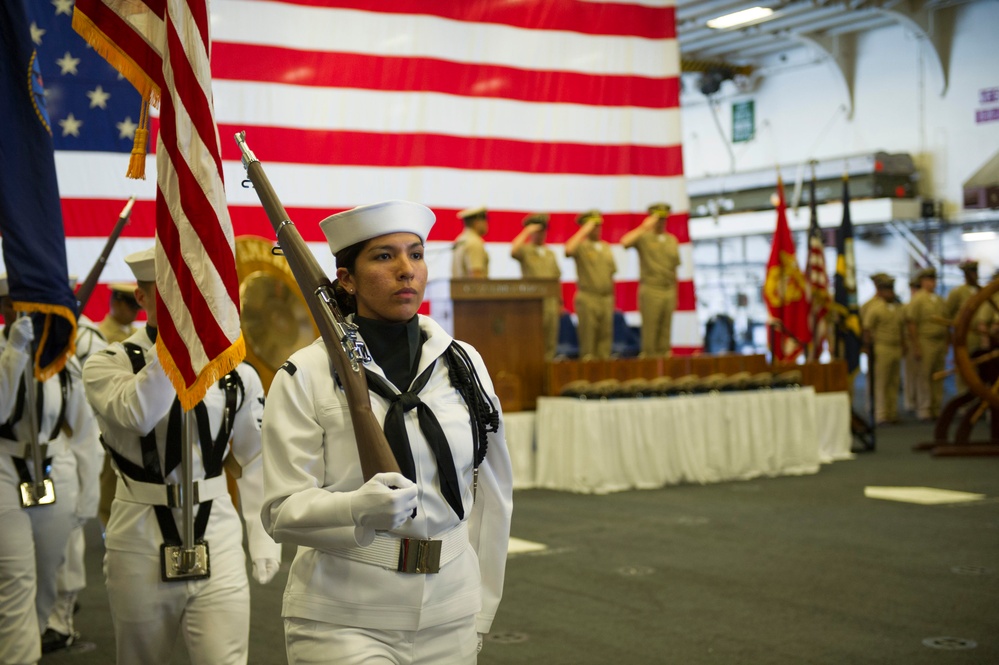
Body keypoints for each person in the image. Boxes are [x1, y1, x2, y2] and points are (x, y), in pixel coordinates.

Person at [260, 200, 513, 664]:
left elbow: (493, 493)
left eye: (415, 254)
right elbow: (280, 510)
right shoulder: (307, 373)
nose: (406, 270)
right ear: (346, 279)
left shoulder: (462, 363)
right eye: (383, 256)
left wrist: (482, 604)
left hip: (451, 609)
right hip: (345, 615)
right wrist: (356, 507)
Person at [82, 247, 281, 665]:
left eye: (190, 293)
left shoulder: (236, 373)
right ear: (142, 298)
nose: (183, 305)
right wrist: (174, 347)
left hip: (218, 533)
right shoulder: (107, 363)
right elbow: (138, 414)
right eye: (169, 292)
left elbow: (254, 458)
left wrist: (261, 537)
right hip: (139, 535)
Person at [0, 274, 100, 665]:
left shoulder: (62, 358)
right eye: (11, 303)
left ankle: (26, 644)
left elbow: (84, 428)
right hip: (6, 465)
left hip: (54, 469)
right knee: (16, 580)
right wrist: (14, 355)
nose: (19, 310)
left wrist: (87, 493)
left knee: (46, 580)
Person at [42, 281, 109, 653]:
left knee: (67, 546)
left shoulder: (86, 341)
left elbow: (86, 427)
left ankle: (61, 619)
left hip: (65, 454)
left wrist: (88, 492)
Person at [620, 203, 681, 357]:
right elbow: (625, 242)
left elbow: (674, 269)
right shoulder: (644, 237)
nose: (661, 222)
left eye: (663, 218)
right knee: (650, 335)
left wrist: (676, 293)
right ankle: (650, 370)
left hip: (669, 289)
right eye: (658, 218)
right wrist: (644, 227)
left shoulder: (671, 240)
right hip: (651, 289)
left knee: (665, 335)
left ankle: (665, 372)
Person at [510, 213, 563, 361]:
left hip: (551, 302)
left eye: (543, 230)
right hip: (533, 303)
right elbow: (513, 250)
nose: (541, 234)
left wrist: (560, 301)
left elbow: (556, 279)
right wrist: (527, 231)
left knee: (551, 342)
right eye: (538, 231)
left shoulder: (550, 253)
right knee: (534, 341)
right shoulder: (526, 250)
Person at [565, 209, 616, 360]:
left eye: (599, 225)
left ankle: (604, 379)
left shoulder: (606, 247)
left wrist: (612, 299)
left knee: (605, 343)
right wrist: (584, 231)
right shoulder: (581, 246)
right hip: (588, 297)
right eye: (594, 226)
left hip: (606, 298)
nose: (598, 229)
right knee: (589, 345)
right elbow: (568, 249)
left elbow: (611, 274)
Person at [861, 273, 906, 425]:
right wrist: (867, 347)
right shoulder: (874, 307)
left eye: (891, 290)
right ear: (880, 291)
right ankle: (881, 413)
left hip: (896, 347)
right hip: (882, 347)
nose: (890, 293)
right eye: (886, 290)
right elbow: (867, 329)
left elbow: (902, 327)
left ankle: (892, 412)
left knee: (893, 381)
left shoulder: (896, 307)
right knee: (881, 382)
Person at [906, 267, 948, 420]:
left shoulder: (938, 299)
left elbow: (945, 322)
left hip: (939, 341)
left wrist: (946, 342)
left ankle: (936, 407)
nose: (932, 283)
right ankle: (924, 408)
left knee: (938, 375)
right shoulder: (918, 299)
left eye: (933, 280)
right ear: (922, 282)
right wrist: (916, 346)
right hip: (925, 341)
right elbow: (911, 323)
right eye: (928, 280)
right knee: (924, 375)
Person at [944, 260, 980, 395]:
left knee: (977, 368)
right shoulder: (957, 292)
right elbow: (947, 315)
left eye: (975, 272)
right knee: (963, 368)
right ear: (964, 275)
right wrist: (950, 336)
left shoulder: (980, 290)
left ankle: (976, 397)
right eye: (970, 273)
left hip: (980, 336)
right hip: (963, 335)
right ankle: (963, 399)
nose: (973, 275)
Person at [900, 275, 921, 416]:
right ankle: (909, 402)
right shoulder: (906, 307)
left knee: (921, 375)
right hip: (910, 342)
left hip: (924, 341)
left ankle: (919, 401)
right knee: (909, 374)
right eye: (915, 288)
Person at [451, 206, 490, 279]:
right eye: (485, 219)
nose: (487, 223)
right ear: (477, 222)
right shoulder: (474, 242)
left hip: (457, 289)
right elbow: (476, 277)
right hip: (470, 290)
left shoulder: (460, 239)